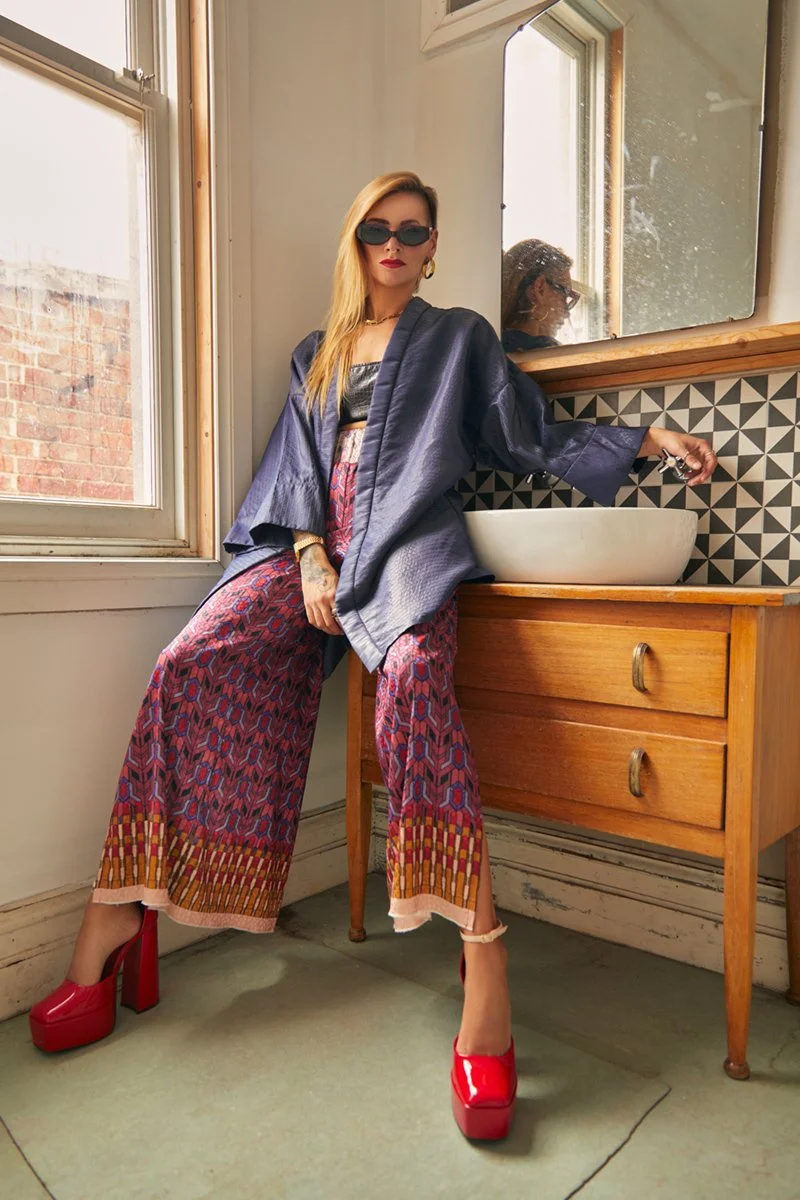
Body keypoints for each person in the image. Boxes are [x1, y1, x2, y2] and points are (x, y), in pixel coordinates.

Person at [29, 171, 716, 1141]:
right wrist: (307, 555)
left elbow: (529, 437)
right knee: (187, 660)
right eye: (374, 231)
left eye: (411, 232)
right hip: (309, 551)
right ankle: (116, 918)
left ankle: (483, 956)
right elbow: (291, 473)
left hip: (404, 550)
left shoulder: (458, 342)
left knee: (410, 692)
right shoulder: (316, 354)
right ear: (353, 243)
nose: (391, 246)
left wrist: (645, 435)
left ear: (432, 247)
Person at [501, 238, 579, 352]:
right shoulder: (548, 355)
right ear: (540, 288)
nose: (566, 313)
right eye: (564, 294)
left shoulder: (487, 348)